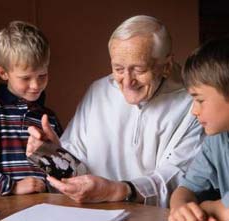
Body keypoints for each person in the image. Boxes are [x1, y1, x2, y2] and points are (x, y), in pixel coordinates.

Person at [27, 15, 203, 207]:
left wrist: (117, 190)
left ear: (166, 66)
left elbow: (179, 179)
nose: (127, 82)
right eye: (118, 69)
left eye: (139, 69)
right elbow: (77, 171)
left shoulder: (194, 102)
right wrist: (54, 156)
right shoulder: (98, 91)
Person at [0, 21, 63, 195]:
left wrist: (55, 155)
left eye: (42, 75)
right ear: (3, 73)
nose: (35, 85)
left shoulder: (49, 118)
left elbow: (62, 173)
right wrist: (12, 186)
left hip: (45, 208)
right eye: (25, 78)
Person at [169, 37, 229, 221]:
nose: (194, 111)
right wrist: (181, 208)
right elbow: (185, 189)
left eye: (200, 100)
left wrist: (209, 207)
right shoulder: (215, 140)